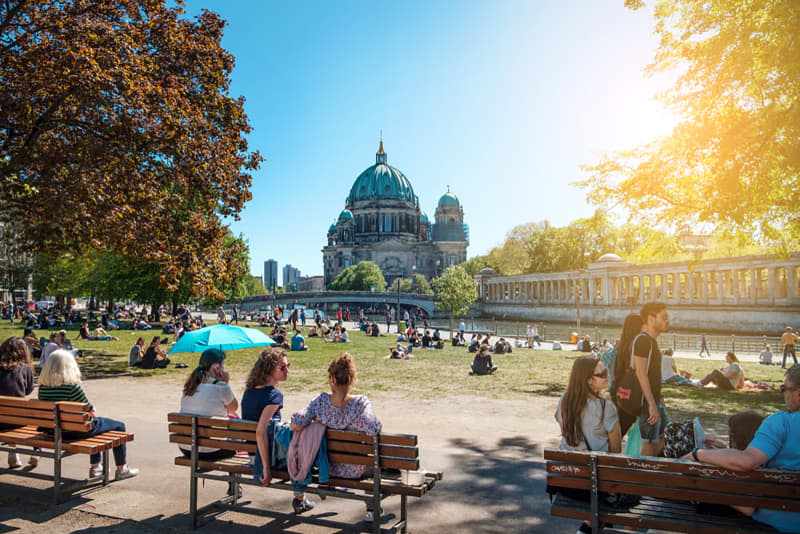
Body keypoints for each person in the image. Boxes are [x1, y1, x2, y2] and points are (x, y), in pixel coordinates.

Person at [681, 364, 800, 533]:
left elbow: (747, 461)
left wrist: (698, 454)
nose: (783, 393)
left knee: (709, 478)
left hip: (779, 516)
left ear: (798, 392)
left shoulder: (781, 422)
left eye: (784, 388)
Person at [291, 353, 382, 518]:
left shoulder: (321, 402)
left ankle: (334, 487)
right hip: (355, 469)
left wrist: (318, 421)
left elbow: (297, 422)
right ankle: (372, 510)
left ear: (332, 379)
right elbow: (374, 428)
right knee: (372, 465)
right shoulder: (360, 403)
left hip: (327, 468)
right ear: (351, 380)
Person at [38, 350, 138, 480]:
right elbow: (88, 409)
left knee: (93, 424)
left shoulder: (43, 388)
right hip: (77, 431)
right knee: (118, 426)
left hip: (54, 431)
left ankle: (96, 467)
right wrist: (92, 409)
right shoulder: (73, 388)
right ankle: (120, 468)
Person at [555, 355, 621, 534]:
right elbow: (616, 452)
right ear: (588, 380)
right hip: (595, 485)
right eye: (603, 374)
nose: (608, 376)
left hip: (567, 482)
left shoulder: (564, 402)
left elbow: (567, 436)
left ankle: (591, 527)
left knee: (597, 519)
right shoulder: (606, 408)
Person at [615, 302, 670, 457]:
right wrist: (652, 404)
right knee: (649, 446)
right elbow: (640, 373)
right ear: (651, 319)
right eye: (664, 317)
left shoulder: (649, 341)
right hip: (648, 402)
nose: (667, 320)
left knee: (664, 438)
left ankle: (647, 473)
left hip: (653, 401)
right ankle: (642, 476)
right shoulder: (643, 341)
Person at [179, 348, 239, 476]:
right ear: (216, 367)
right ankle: (233, 485)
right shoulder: (221, 386)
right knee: (235, 439)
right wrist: (226, 383)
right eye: (222, 365)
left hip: (187, 448)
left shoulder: (190, 386)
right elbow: (234, 408)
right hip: (212, 450)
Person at [241, 348, 290, 500]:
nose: (287, 370)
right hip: (265, 458)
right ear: (269, 370)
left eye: (288, 365)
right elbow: (260, 432)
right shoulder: (274, 396)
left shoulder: (249, 392)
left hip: (251, 456)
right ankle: (300, 499)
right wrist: (266, 468)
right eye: (282, 367)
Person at [0, 337, 37, 468]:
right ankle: (36, 451)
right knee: (37, 418)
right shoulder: (24, 368)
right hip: (17, 421)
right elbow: (28, 390)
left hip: (1, 421)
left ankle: (13, 453)